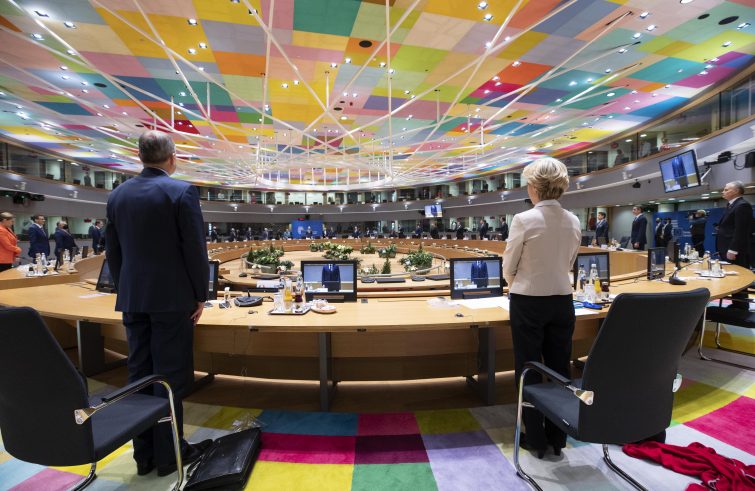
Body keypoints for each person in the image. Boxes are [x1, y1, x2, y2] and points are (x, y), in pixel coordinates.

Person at [105, 130, 211, 477]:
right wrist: (200, 295)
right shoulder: (181, 191)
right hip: (172, 299)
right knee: (168, 376)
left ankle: (144, 456)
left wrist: (126, 290)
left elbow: (113, 252)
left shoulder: (117, 195)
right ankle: (170, 455)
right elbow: (194, 249)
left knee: (138, 375)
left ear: (139, 157)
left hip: (133, 298)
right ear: (172, 157)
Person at [502, 157, 581, 458]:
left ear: (535, 187)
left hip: (528, 302)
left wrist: (519, 285)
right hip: (563, 301)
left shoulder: (523, 219)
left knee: (529, 368)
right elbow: (570, 261)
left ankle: (535, 437)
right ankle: (558, 436)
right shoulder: (573, 220)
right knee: (560, 368)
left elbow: (509, 265)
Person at [717, 181, 752, 309]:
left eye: (726, 189)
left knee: (739, 278)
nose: (723, 191)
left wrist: (733, 249)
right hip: (726, 248)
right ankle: (736, 304)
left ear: (736, 191)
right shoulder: (731, 205)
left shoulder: (742, 205)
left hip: (735, 250)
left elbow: (741, 230)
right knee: (732, 277)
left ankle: (741, 307)